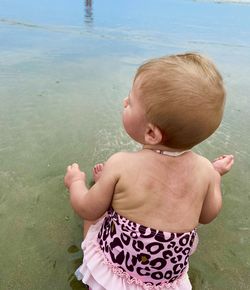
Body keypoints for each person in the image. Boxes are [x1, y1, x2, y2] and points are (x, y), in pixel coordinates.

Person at [64, 52, 234, 290]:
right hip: (166, 281)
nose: (124, 101)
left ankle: (105, 191)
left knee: (94, 215)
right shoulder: (204, 171)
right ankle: (111, 189)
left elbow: (85, 207)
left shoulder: (121, 163)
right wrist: (213, 176)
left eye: (131, 102)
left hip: (116, 276)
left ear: (152, 134)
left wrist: (76, 182)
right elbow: (207, 215)